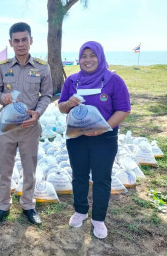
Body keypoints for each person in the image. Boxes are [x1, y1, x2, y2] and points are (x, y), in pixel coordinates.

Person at [58, 41, 131, 239]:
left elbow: (123, 109)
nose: (87, 60)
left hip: (104, 138)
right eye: (84, 56)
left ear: (100, 57)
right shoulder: (72, 81)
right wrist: (68, 103)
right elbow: (61, 107)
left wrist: (102, 129)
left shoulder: (114, 80)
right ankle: (80, 210)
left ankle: (98, 219)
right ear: (79, 58)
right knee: (79, 175)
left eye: (92, 55)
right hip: (77, 137)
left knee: (101, 178)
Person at [0, 22, 52, 226]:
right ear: (11, 42)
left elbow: (47, 94)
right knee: (5, 168)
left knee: (29, 168)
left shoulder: (42, 66)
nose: (21, 44)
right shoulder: (4, 66)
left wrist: (38, 114)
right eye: (17, 40)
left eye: (25, 39)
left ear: (31, 40)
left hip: (29, 127)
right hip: (7, 127)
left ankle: (28, 205)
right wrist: (1, 97)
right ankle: (2, 206)